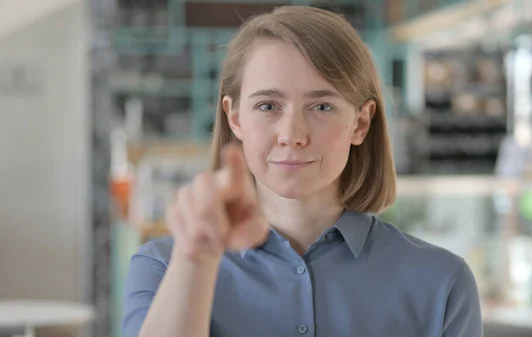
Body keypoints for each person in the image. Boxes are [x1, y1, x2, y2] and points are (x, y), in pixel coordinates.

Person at [122, 6, 483, 337]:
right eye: (267, 105)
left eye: (322, 106)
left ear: (360, 123)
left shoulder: (443, 283)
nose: (292, 135)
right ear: (235, 118)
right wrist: (196, 262)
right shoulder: (164, 268)